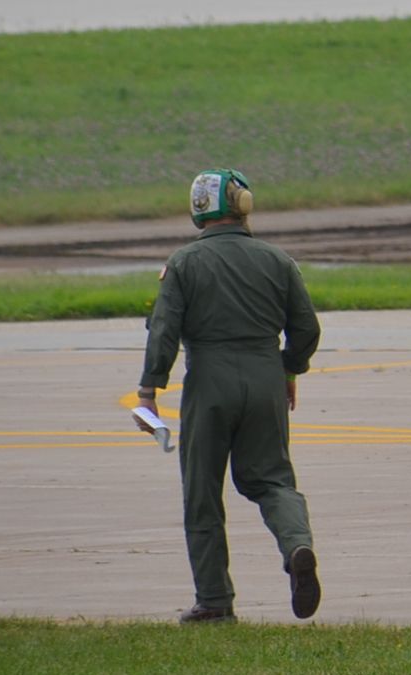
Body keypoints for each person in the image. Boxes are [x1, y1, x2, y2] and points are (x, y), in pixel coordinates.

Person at [137, 168, 323, 624]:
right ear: (243, 204)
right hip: (265, 378)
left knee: (202, 491)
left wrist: (149, 389)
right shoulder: (277, 260)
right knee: (272, 480)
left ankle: (215, 600)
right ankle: (297, 545)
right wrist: (289, 368)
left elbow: (164, 330)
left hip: (209, 381)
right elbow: (306, 328)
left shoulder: (182, 263)